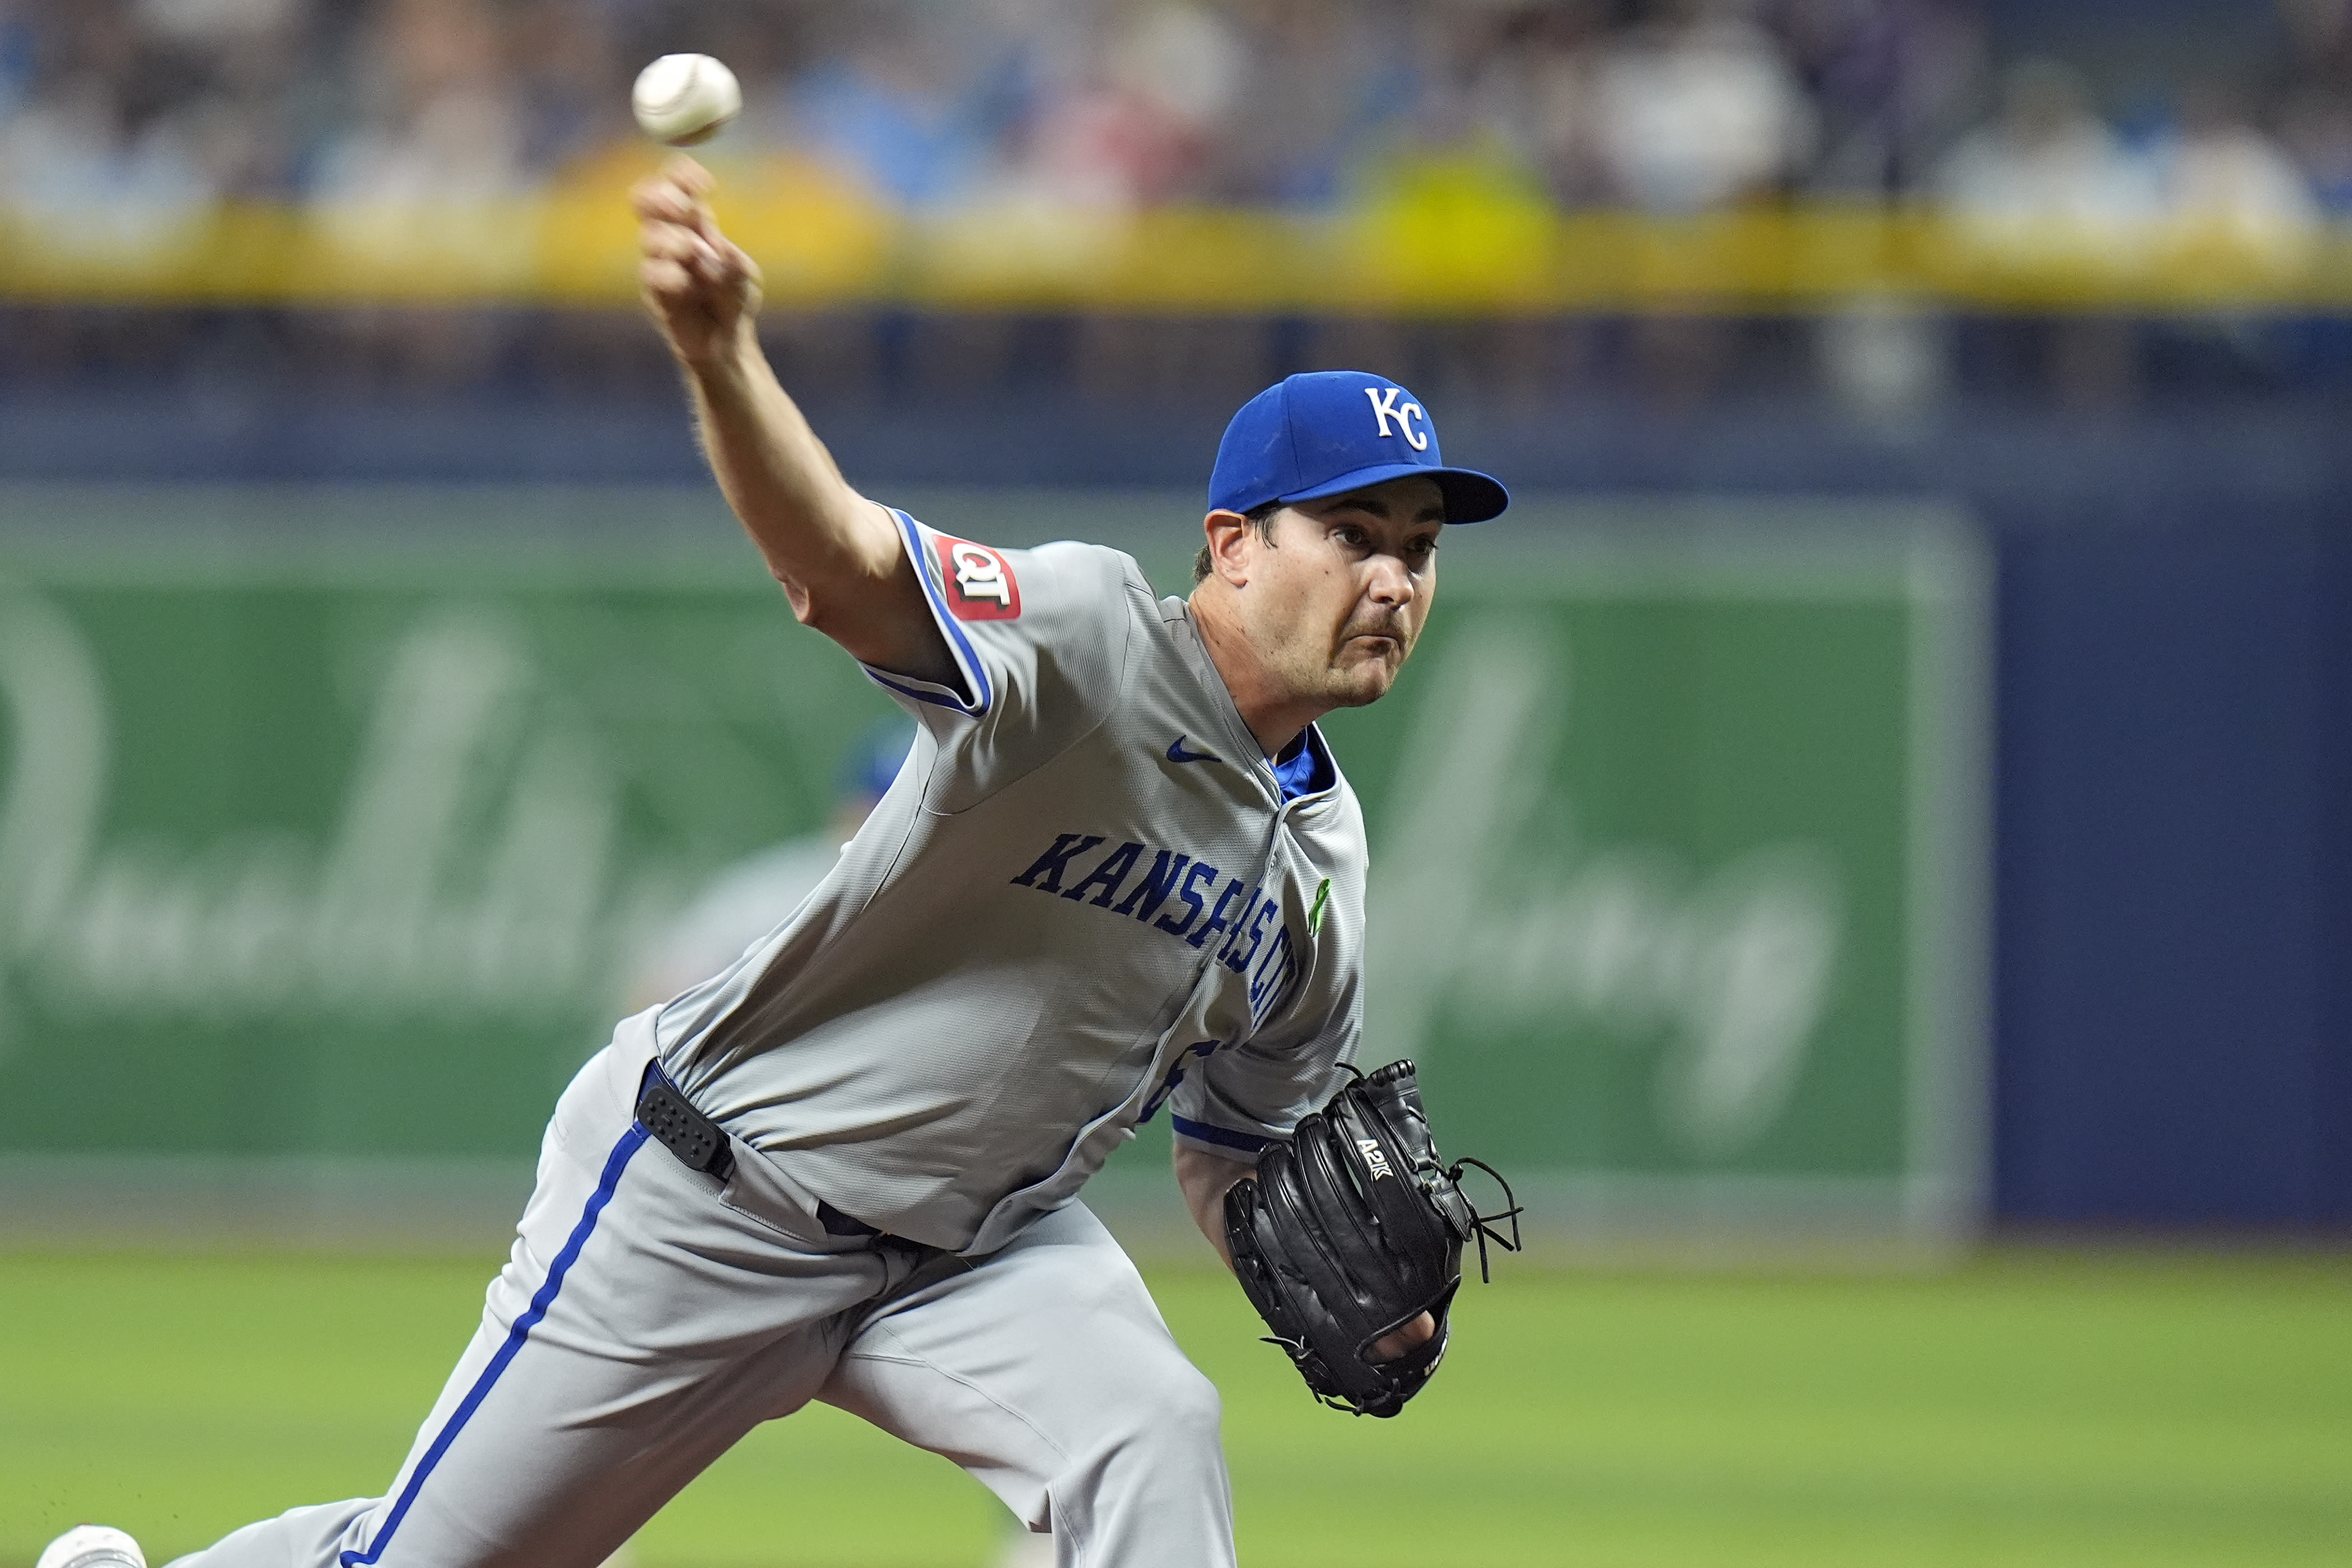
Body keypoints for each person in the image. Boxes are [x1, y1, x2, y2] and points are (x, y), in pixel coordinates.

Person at [39, 153, 1508, 1568]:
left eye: (1422, 546)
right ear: (1234, 546)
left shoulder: (1324, 867)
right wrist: (724, 360)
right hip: (715, 1196)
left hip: (976, 1253)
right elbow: (843, 571)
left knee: (1152, 1431)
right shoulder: (1088, 644)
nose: (1393, 576)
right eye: (1351, 530)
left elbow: (1243, 1152)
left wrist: (1344, 1296)